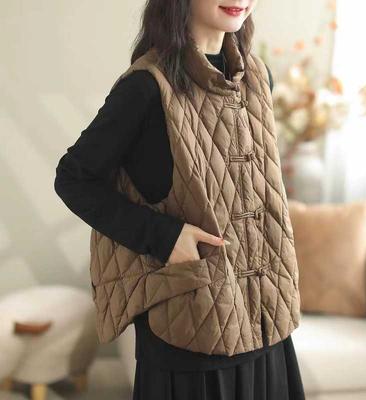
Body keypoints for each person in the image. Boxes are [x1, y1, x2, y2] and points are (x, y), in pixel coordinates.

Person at [54, 0, 306, 399]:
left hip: (267, 323)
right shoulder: (145, 86)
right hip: (192, 327)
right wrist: (165, 236)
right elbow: (74, 179)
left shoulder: (258, 77)